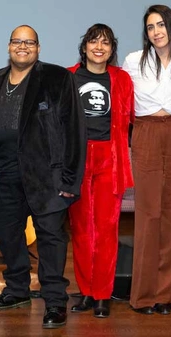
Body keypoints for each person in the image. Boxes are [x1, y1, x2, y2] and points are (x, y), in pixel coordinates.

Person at [0, 25, 86, 329]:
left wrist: (69, 180)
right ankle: (17, 290)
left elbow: (74, 130)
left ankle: (54, 300)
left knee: (51, 238)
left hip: (47, 176)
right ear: (9, 46)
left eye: (30, 42)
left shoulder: (57, 78)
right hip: (4, 173)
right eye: (17, 41)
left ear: (39, 48)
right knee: (5, 230)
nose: (23, 46)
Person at [121, 5, 171, 316]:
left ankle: (167, 295)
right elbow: (120, 96)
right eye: (150, 26)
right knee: (149, 214)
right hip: (147, 133)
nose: (156, 31)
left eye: (161, 24)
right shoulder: (133, 61)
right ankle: (142, 296)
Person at [67, 24, 134, 318]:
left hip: (110, 158)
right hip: (78, 159)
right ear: (84, 47)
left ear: (111, 50)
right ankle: (85, 291)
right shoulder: (68, 77)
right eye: (94, 41)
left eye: (105, 43)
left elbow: (130, 118)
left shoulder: (121, 79)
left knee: (107, 229)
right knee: (82, 229)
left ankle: (102, 295)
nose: (99, 47)